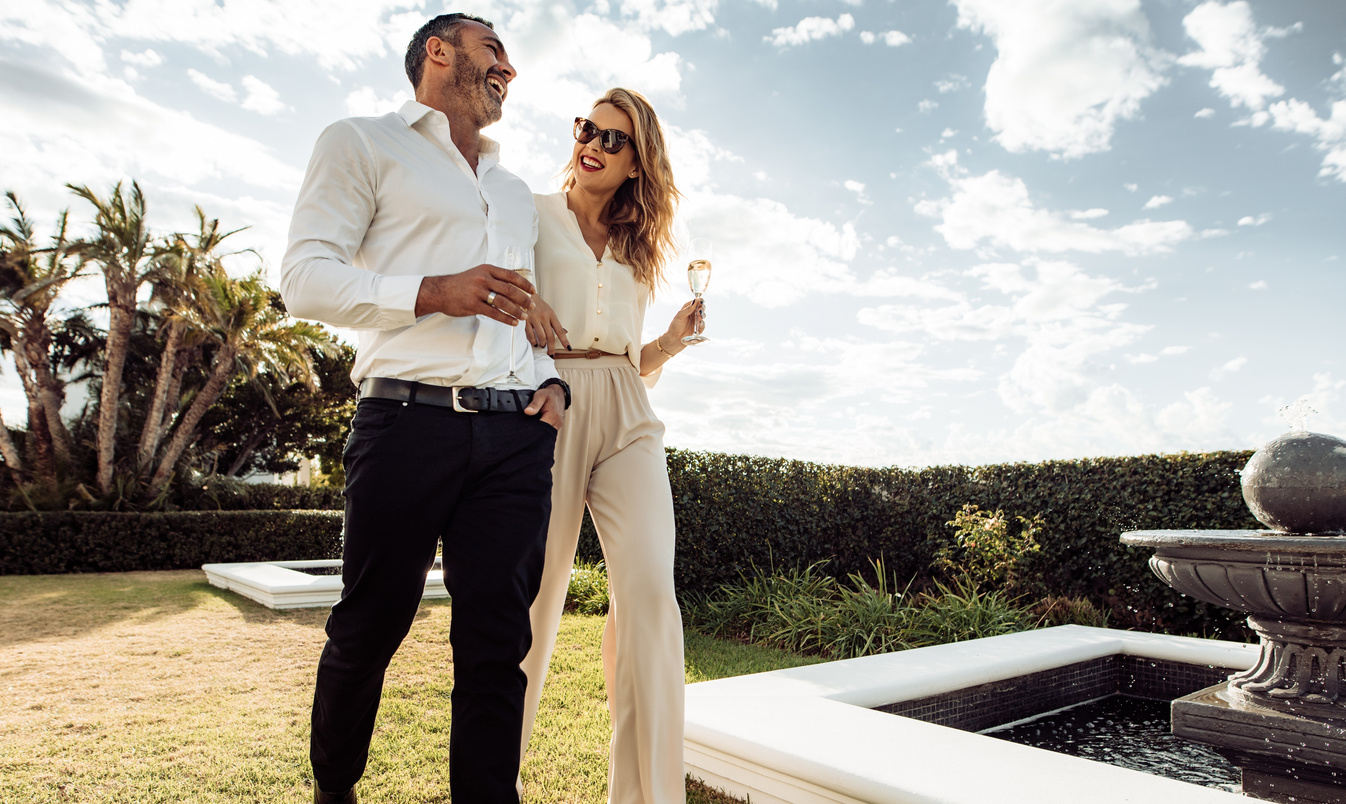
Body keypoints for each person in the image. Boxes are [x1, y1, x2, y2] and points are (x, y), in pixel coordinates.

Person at [279, 13, 569, 804]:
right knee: (369, 627)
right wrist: (433, 292)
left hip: (515, 435)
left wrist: (552, 385)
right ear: (439, 52)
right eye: (495, 50)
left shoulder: (512, 192)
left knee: (495, 647)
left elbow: (525, 311)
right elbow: (303, 279)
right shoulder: (362, 142)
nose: (509, 68)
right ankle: (333, 791)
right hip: (406, 422)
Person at [518, 88, 698, 804]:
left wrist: (670, 343)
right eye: (588, 127)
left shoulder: (636, 246)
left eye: (614, 139)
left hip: (629, 409)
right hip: (548, 403)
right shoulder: (529, 214)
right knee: (533, 598)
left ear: (636, 164)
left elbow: (630, 358)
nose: (592, 142)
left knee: (651, 593)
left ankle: (649, 796)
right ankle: (496, 783)